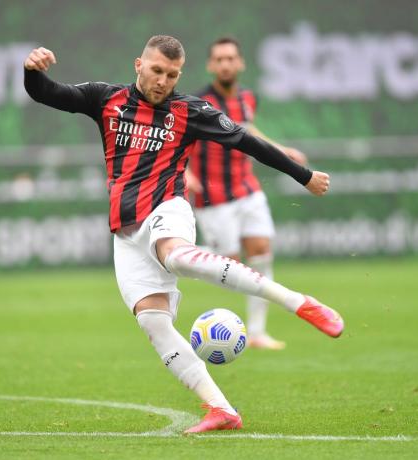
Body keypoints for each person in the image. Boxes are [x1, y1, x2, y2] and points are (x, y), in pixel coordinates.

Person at [23, 35, 344, 434]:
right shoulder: (105, 99)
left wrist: (305, 176)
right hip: (125, 232)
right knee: (153, 323)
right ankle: (221, 409)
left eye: (172, 75)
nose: (163, 81)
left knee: (176, 255)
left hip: (167, 209)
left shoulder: (189, 110)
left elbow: (249, 143)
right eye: (157, 71)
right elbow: (48, 93)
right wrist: (32, 70)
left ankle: (299, 303)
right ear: (138, 65)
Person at [187, 37, 308, 350]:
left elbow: (249, 131)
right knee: (228, 264)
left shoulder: (247, 98)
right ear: (211, 66)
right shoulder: (198, 101)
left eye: (230, 58)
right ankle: (177, 253)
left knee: (261, 253)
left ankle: (256, 332)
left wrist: (282, 151)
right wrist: (186, 172)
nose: (225, 64)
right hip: (214, 194)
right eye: (219, 59)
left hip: (247, 187)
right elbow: (181, 137)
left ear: (240, 63)